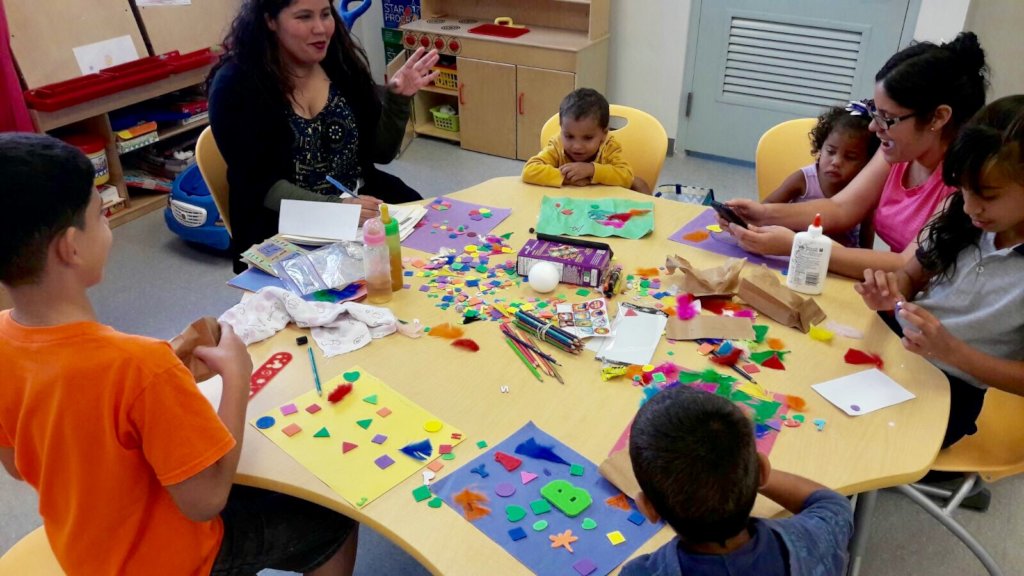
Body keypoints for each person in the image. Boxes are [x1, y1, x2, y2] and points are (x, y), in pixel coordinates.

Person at [0, 133, 357, 575]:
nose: (108, 226)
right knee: (334, 519)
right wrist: (237, 378)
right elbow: (206, 501)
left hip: (85, 554)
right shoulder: (138, 365)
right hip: (173, 560)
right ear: (71, 247)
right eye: (100, 216)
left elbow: (20, 463)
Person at [721, 32, 987, 278]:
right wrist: (762, 213)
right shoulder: (899, 154)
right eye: (875, 113)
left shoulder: (962, 181)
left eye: (888, 118)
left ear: (938, 117)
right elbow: (841, 208)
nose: (874, 127)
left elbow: (907, 264)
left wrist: (800, 247)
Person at [209, 0, 440, 271]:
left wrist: (397, 101)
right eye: (304, 17)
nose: (321, 28)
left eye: (325, 14)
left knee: (436, 249)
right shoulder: (236, 86)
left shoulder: (340, 64)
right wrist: (337, 210)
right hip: (284, 224)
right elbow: (262, 186)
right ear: (270, 20)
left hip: (358, 204)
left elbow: (380, 153)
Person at [855, 95, 1024, 451]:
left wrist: (951, 351)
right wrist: (891, 293)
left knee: (850, 439)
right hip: (896, 350)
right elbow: (909, 277)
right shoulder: (963, 217)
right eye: (962, 189)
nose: (970, 206)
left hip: (951, 389)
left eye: (987, 195)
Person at [622, 386, 853, 576]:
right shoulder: (816, 539)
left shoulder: (640, 572)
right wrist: (745, 469)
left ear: (648, 509)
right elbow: (832, 503)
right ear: (763, 471)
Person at [763, 105, 879, 248]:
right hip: (798, 251)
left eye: (850, 157)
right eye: (830, 151)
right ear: (821, 147)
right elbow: (767, 207)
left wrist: (865, 259)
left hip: (841, 258)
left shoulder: (864, 188)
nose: (836, 162)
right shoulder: (803, 179)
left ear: (867, 161)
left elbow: (867, 228)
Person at [522, 88, 649, 194]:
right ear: (561, 130)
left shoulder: (609, 146)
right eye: (569, 136)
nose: (577, 146)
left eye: (587, 138)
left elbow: (626, 176)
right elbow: (529, 170)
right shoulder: (557, 145)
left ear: (604, 134)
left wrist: (591, 170)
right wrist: (567, 179)